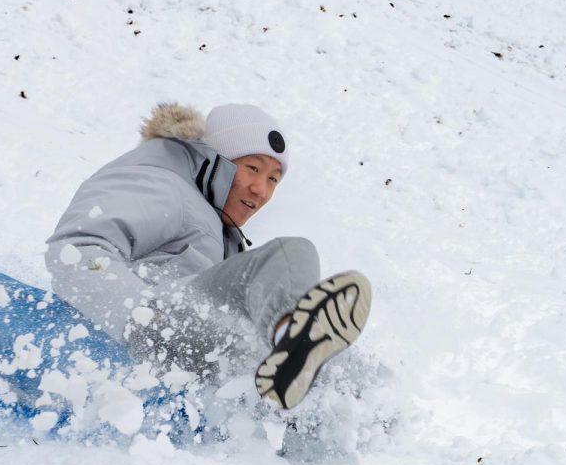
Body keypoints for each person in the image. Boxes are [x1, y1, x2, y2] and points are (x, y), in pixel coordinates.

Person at [45, 103, 371, 409]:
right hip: (156, 322)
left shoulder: (218, 228)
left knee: (351, 366)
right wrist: (138, 318)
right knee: (291, 255)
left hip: (196, 342)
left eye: (273, 178)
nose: (261, 189)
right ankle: (292, 342)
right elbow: (78, 248)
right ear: (214, 160)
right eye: (253, 168)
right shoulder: (161, 182)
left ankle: (365, 418)